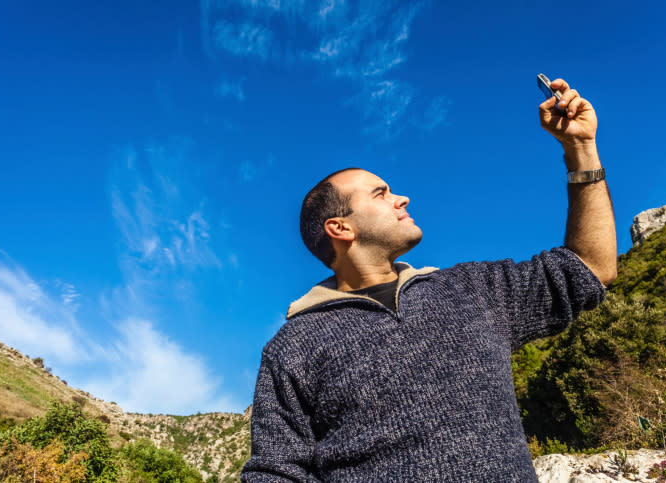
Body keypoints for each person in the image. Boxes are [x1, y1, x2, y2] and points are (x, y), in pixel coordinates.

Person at [241, 78, 617, 482]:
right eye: (381, 193)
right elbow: (275, 473)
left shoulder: (474, 290)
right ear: (340, 227)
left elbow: (589, 267)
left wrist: (580, 149)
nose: (402, 198)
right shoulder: (293, 346)